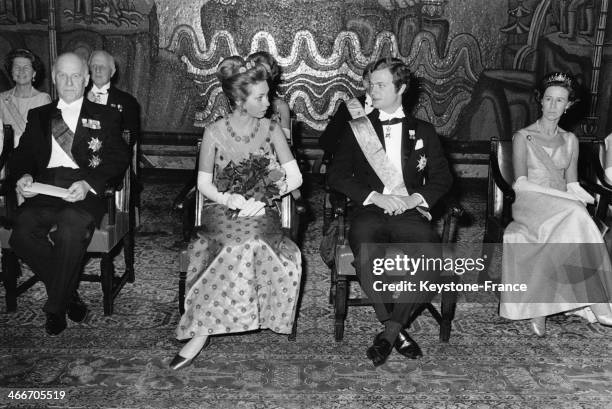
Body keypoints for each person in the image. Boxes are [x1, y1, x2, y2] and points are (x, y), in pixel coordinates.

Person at [171, 56, 304, 370]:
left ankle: (231, 319)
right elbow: (203, 183)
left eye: (268, 95)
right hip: (222, 207)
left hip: (263, 208)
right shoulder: (214, 131)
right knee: (228, 243)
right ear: (239, 100)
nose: (268, 102)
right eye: (260, 97)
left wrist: (266, 195)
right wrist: (230, 200)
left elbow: (294, 177)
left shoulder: (272, 128)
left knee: (252, 240)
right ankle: (201, 330)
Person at [328, 57, 452, 366]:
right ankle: (394, 330)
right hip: (369, 211)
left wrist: (415, 200)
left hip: (409, 212)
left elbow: (443, 178)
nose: (372, 90)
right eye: (371, 84)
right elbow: (336, 175)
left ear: (402, 89)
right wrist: (373, 196)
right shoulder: (358, 129)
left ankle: (388, 333)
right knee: (366, 254)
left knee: (430, 255)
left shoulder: (424, 130)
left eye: (381, 85)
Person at [8, 52, 130, 336]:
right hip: (46, 187)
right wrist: (24, 174)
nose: (69, 81)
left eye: (76, 75)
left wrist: (89, 183)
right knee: (21, 233)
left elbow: (117, 158)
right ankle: (68, 293)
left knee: (70, 229)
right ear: (53, 78)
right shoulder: (39, 116)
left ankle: (54, 307)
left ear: (86, 79)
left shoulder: (107, 115)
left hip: (83, 187)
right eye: (62, 75)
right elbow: (21, 155)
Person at [500, 72, 612, 337]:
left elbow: (572, 185)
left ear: (568, 105)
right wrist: (570, 200)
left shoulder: (570, 140)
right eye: (548, 99)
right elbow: (521, 185)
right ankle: (600, 301)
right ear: (540, 102)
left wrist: (585, 197)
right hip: (530, 202)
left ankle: (542, 307)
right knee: (575, 213)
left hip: (562, 207)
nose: (552, 106)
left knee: (576, 214)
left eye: (559, 101)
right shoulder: (522, 137)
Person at [318, 63, 374, 156]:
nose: (377, 87)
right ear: (365, 82)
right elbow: (327, 141)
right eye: (373, 82)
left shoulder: (397, 108)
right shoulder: (349, 108)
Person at [0, 48, 51, 149]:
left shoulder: (43, 99)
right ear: (11, 72)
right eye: (17, 67)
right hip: (7, 157)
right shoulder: (2, 98)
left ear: (34, 73)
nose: (21, 71)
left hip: (32, 157)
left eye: (26, 67)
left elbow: (45, 137)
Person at [87, 50, 140, 145]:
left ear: (112, 72)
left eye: (102, 66)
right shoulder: (79, 98)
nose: (97, 70)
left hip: (112, 156)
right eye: (94, 66)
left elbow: (129, 139)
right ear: (89, 70)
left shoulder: (127, 102)